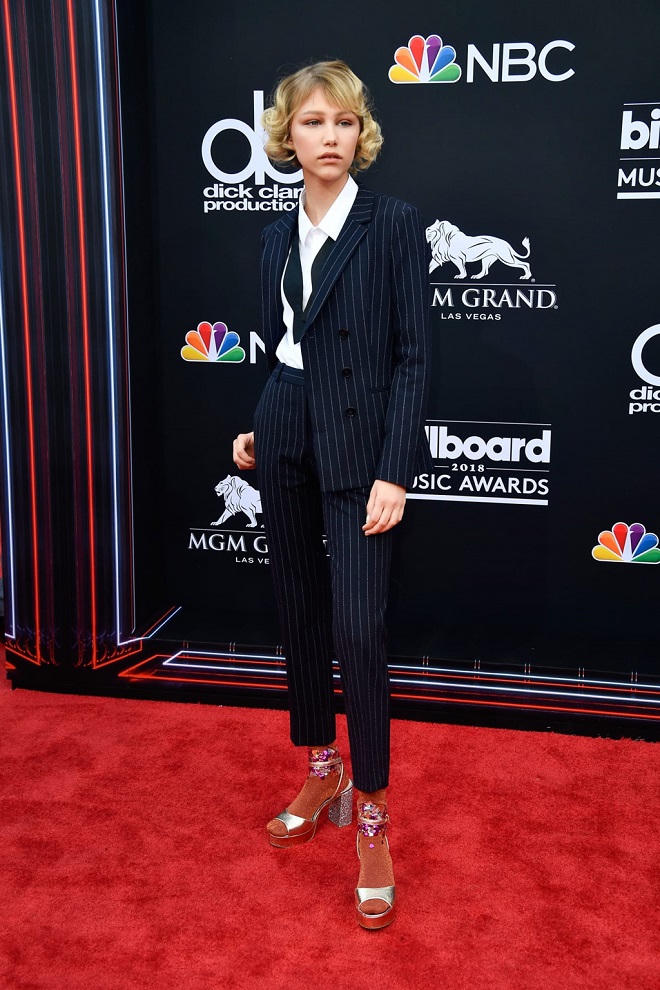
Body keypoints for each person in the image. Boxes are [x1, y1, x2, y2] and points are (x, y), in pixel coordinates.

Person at [232, 59, 432, 930]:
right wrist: (259, 422)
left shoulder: (393, 223)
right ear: (287, 136)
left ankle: (373, 818)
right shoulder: (275, 234)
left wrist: (395, 468)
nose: (330, 137)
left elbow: (414, 357)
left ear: (362, 134)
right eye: (313, 122)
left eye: (344, 122)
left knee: (359, 628)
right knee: (301, 613)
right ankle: (323, 770)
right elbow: (284, 340)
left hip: (361, 445)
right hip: (283, 421)